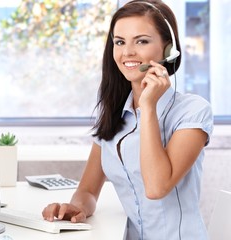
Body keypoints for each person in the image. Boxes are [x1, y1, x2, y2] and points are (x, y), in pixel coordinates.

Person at [42, 0, 213, 239]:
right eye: (119, 42)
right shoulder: (114, 115)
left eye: (142, 41)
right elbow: (88, 190)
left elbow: (156, 187)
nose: (127, 52)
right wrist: (77, 208)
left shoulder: (193, 111)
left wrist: (148, 107)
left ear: (168, 49)